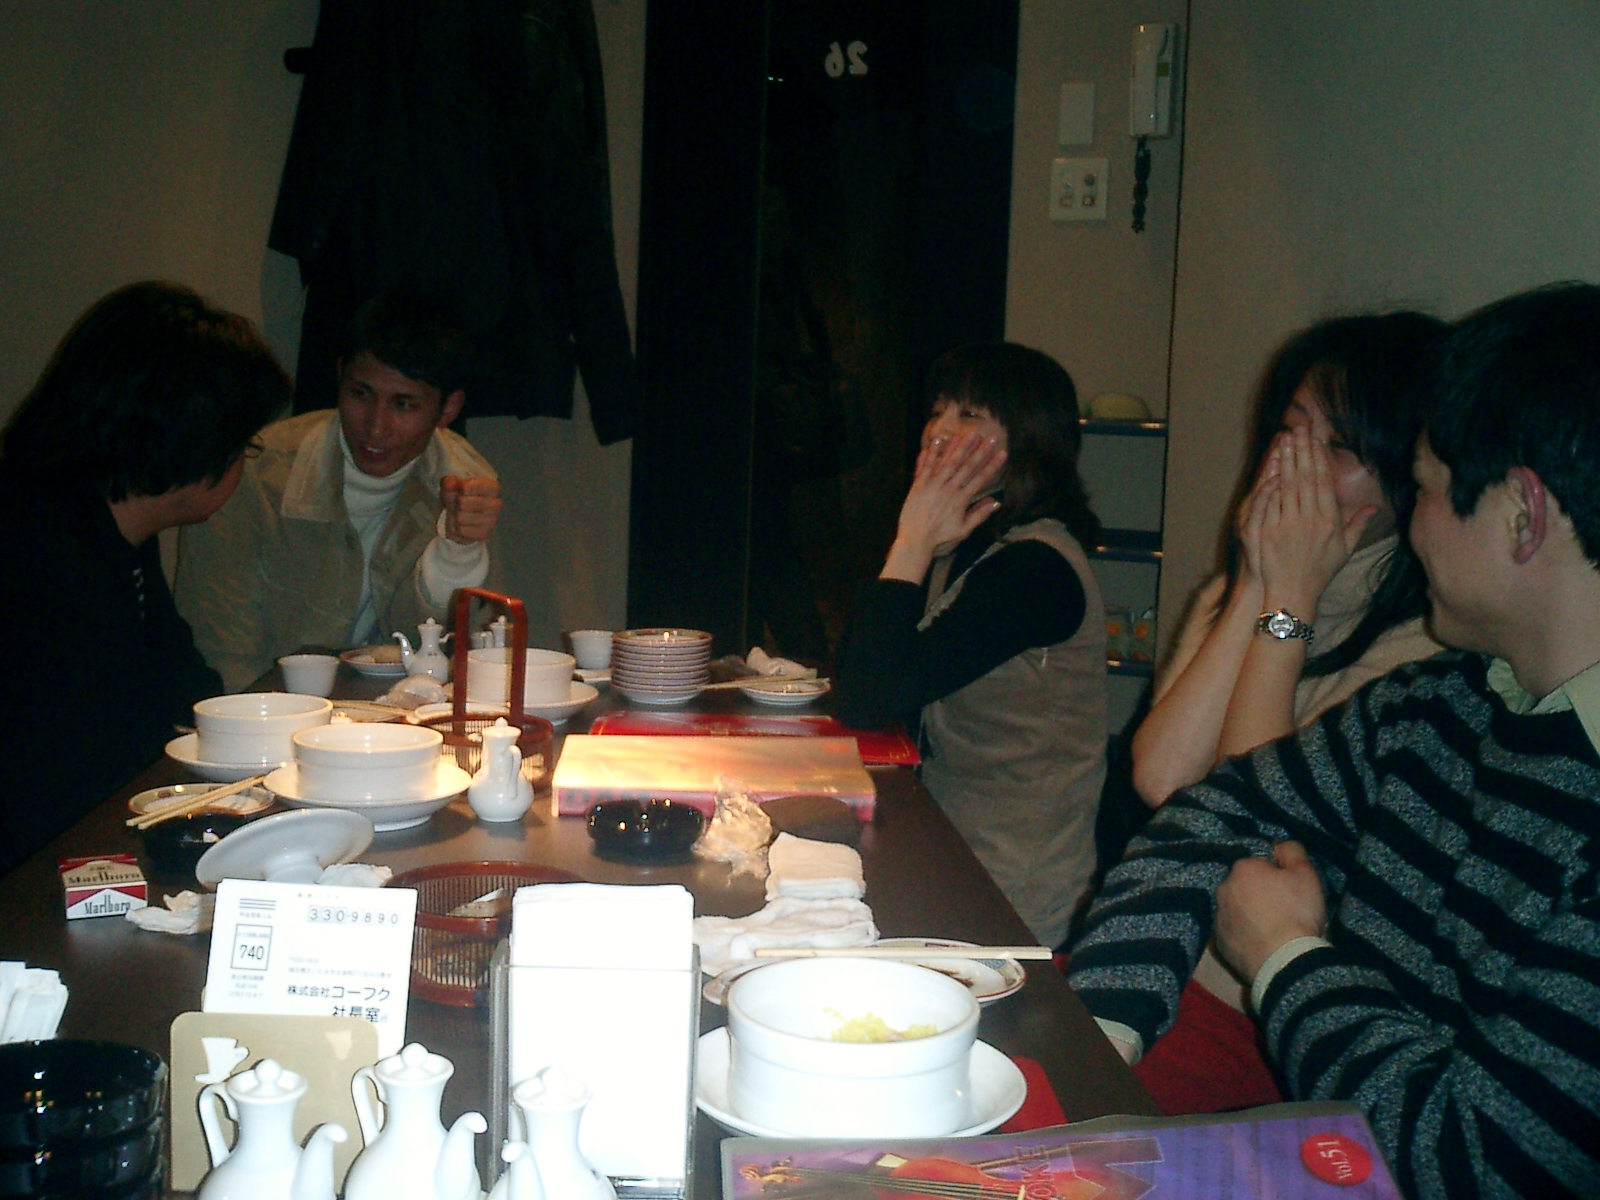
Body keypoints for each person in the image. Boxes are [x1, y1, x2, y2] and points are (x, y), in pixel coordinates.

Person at [1067, 282, 1600, 1199]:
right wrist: (1094, 1056)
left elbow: (1469, 1160)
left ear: (1523, 515)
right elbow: (1193, 810)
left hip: (1306, 1088)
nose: (1294, 469)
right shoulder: (1439, 703)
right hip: (1307, 1106)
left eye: (1425, 487)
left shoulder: (1419, 660)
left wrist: (1284, 955)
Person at [1117, 315, 1447, 1111]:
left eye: (1338, 448)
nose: (1294, 465)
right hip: (1168, 959)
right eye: (1289, 432)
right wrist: (1258, 583)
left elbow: (1260, 829)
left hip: (1270, 1015)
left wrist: (1289, 600)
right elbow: (1161, 775)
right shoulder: (1245, 593)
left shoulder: (1422, 653)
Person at [0, 282, 289, 873]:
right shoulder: (33, 553)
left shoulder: (113, 526)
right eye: (242, 443)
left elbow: (184, 689)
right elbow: (80, 770)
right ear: (190, 441)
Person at [837, 343, 1106, 949]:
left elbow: (867, 697)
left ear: (1028, 439)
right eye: (938, 411)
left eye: (969, 415)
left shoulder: (1035, 567)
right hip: (952, 856)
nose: (938, 430)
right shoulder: (973, 540)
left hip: (1012, 893)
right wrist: (919, 544)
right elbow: (869, 675)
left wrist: (911, 541)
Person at [175, 287, 505, 691]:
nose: (375, 427)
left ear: (448, 409)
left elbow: (456, 652)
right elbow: (220, 651)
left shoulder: (465, 483)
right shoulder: (254, 472)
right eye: (360, 394)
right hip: (267, 711)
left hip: (402, 716)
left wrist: (457, 553)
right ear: (339, 377)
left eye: (403, 405)